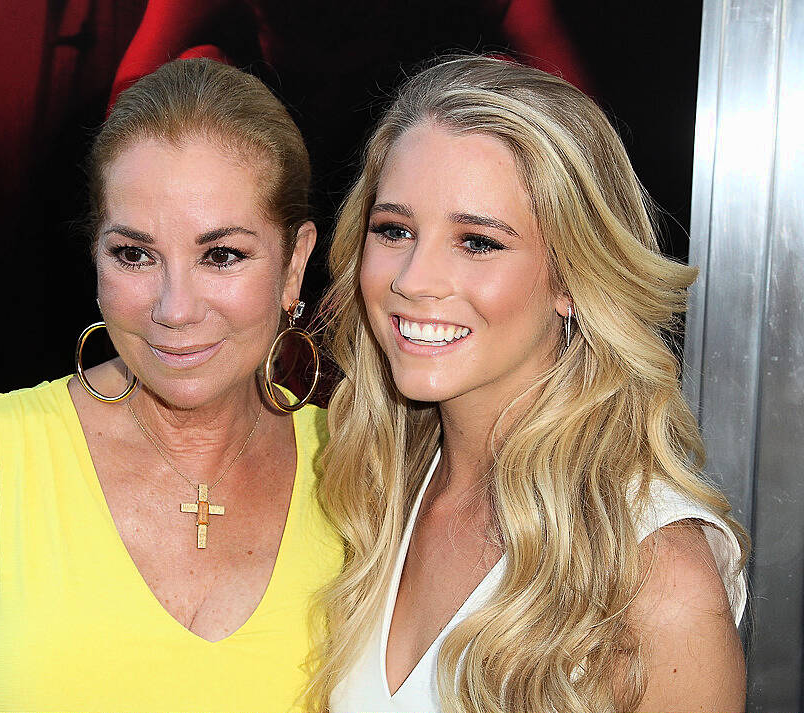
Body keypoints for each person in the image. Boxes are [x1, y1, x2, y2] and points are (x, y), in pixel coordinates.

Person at [0, 58, 341, 713]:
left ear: (294, 264)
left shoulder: (357, 472)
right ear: (95, 257)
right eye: (135, 254)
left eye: (221, 255)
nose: (175, 308)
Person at [309, 56, 749, 713]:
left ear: (572, 277)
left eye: (478, 241)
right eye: (394, 230)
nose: (413, 279)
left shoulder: (656, 577)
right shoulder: (376, 486)